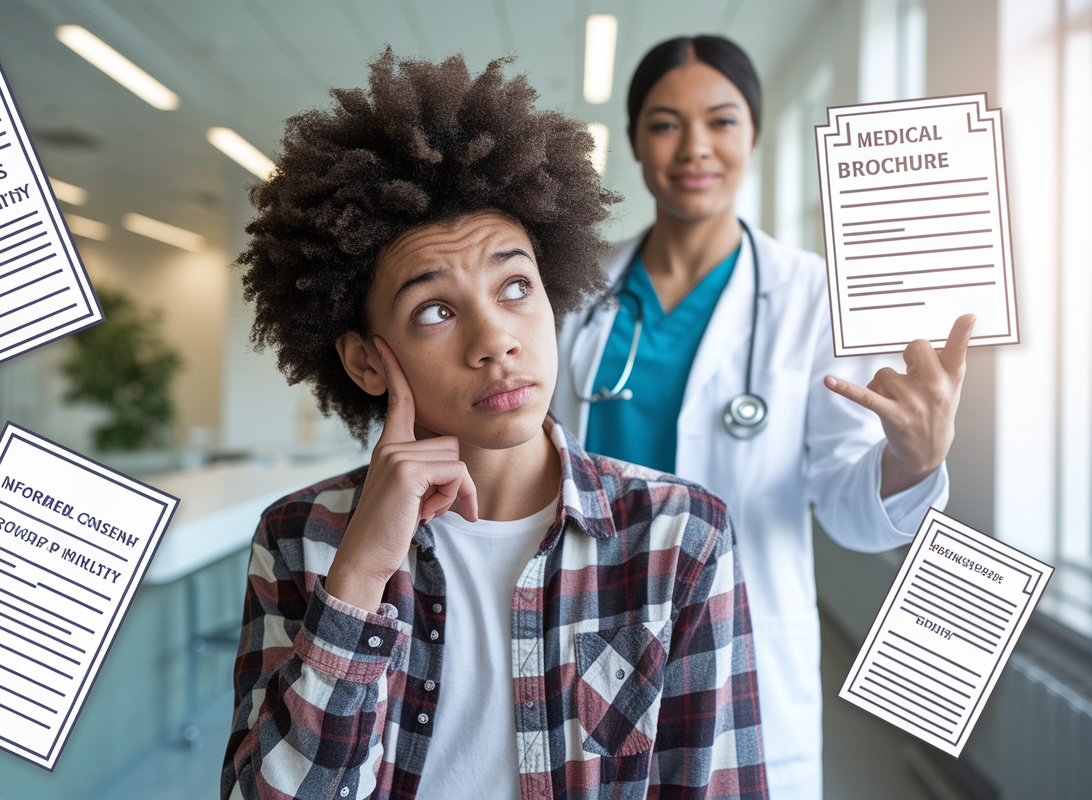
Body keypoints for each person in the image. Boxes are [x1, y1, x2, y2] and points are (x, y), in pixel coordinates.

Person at [221, 50, 768, 800]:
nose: (496, 340)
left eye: (516, 286)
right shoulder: (301, 539)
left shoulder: (680, 536)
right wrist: (354, 584)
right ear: (365, 362)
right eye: (436, 310)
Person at [552, 36, 969, 800]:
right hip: (584, 628)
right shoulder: (574, 294)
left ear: (754, 134)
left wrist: (912, 458)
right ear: (638, 140)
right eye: (666, 124)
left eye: (721, 120)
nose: (695, 148)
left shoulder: (812, 297)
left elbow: (847, 504)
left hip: (735, 635)